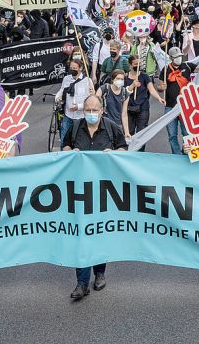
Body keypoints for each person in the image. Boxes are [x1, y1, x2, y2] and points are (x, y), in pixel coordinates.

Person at [62, 95, 126, 300]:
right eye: (87, 110)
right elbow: (64, 147)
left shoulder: (111, 127)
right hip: (79, 191)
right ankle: (81, 283)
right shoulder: (74, 128)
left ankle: (99, 273)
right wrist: (70, 152)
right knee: (80, 234)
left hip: (103, 190)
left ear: (102, 110)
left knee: (98, 232)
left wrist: (114, 153)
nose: (90, 113)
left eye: (94, 110)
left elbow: (124, 149)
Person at [157, 49, 191, 154]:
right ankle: (176, 155)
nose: (179, 58)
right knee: (172, 135)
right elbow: (159, 86)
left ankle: (187, 154)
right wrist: (161, 88)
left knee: (187, 133)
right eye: (176, 57)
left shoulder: (187, 67)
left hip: (185, 107)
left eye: (180, 56)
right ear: (171, 58)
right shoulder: (166, 70)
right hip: (170, 107)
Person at [56, 59, 95, 147]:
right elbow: (62, 90)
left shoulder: (87, 81)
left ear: (80, 68)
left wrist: (79, 106)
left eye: (74, 68)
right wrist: (57, 97)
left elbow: (91, 99)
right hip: (68, 115)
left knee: (80, 140)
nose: (72, 69)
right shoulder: (66, 79)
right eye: (71, 68)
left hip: (81, 117)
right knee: (64, 139)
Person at [125, 55, 162, 135]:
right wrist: (133, 85)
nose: (138, 66)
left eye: (139, 64)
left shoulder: (144, 76)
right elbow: (123, 93)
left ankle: (140, 148)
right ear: (130, 65)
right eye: (135, 64)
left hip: (143, 107)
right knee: (129, 132)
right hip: (129, 108)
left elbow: (151, 89)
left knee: (141, 132)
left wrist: (159, 98)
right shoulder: (125, 77)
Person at [98, 69, 132, 140]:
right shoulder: (104, 89)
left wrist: (126, 132)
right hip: (104, 124)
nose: (120, 80)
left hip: (117, 125)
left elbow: (124, 114)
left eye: (122, 79)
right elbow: (95, 103)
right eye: (118, 78)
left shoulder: (125, 94)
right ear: (113, 79)